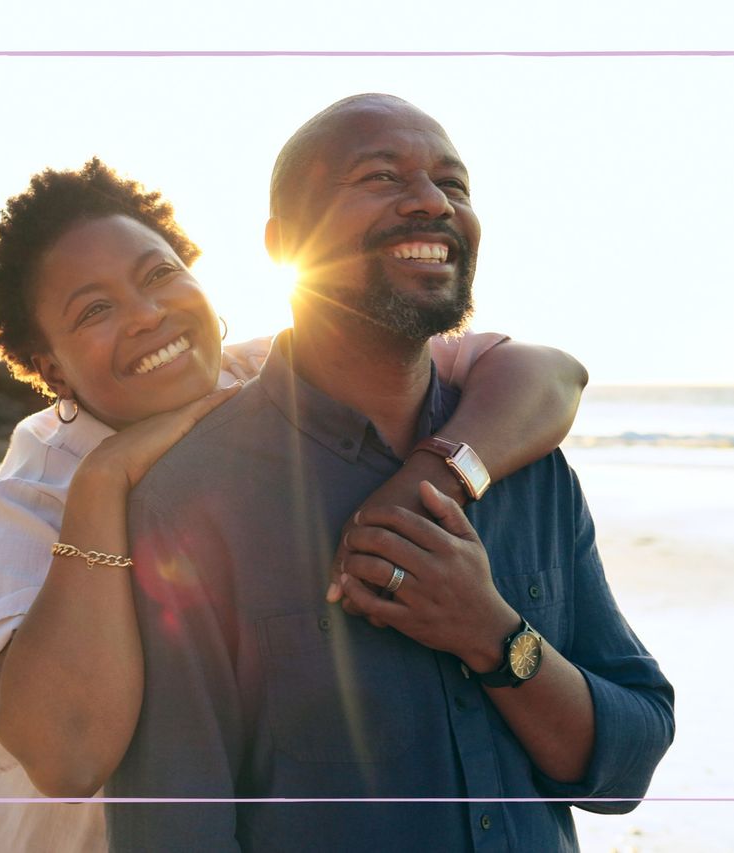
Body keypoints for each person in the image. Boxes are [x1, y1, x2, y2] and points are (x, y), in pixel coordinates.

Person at [0, 158, 589, 851]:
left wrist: (431, 477)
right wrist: (104, 481)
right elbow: (70, 755)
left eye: (158, 274)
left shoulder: (267, 373)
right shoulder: (29, 497)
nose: (147, 315)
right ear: (52, 364)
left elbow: (548, 374)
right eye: (95, 309)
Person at [104, 95, 675, 851]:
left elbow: (628, 763)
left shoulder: (531, 471)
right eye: (381, 176)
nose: (433, 203)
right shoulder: (191, 500)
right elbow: (174, 832)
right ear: (286, 244)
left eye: (455, 184)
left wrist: (494, 635)